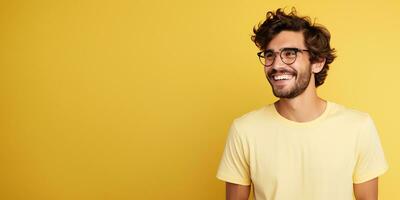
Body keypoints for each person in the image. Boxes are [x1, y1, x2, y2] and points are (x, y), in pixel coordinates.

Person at [216, 8, 389, 200]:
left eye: (290, 53)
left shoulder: (358, 126)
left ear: (317, 62)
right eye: (269, 55)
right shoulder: (244, 130)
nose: (276, 65)